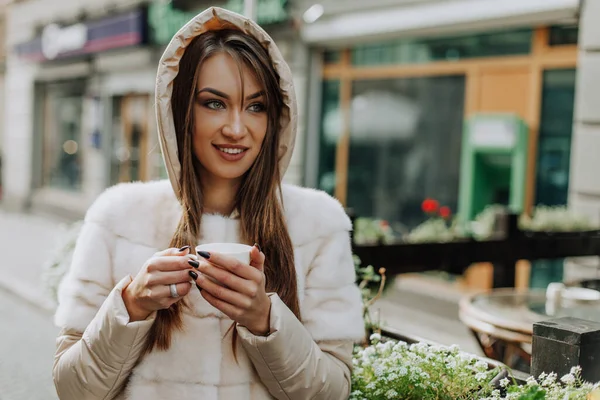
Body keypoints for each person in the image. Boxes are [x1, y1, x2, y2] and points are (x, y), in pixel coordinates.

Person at [52, 7, 364, 400]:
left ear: (276, 118)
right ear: (182, 110)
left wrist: (264, 319)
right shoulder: (118, 216)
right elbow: (72, 389)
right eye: (214, 103)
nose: (236, 128)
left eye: (256, 106)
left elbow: (333, 391)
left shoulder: (317, 224)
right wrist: (132, 304)